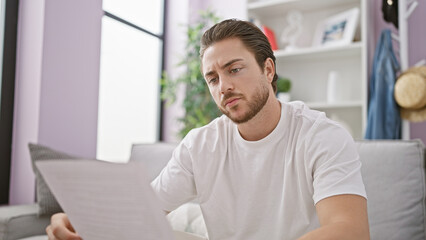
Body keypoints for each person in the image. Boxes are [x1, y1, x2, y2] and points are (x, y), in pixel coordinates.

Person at [46, 19, 370, 240]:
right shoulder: (200, 145)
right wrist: (71, 219)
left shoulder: (322, 135)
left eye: (235, 69)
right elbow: (142, 209)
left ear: (268, 69)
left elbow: (349, 229)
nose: (224, 86)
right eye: (213, 78)